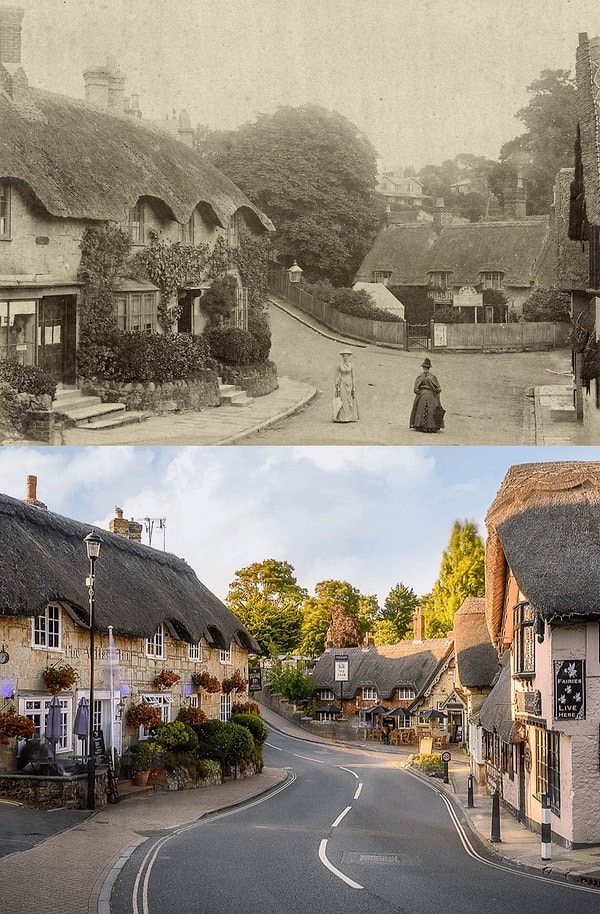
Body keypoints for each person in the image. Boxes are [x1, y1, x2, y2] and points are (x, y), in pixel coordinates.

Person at [409, 357, 444, 432]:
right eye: (424, 368)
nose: (425, 369)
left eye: (426, 368)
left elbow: (437, 388)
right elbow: (416, 389)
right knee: (421, 407)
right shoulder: (421, 376)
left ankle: (430, 426)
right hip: (423, 394)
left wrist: (419, 392)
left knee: (430, 408)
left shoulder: (432, 376)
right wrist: (419, 392)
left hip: (429, 394)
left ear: (429, 368)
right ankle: (420, 425)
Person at [333, 349, 359, 422]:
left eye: (347, 357)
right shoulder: (339, 365)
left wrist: (354, 386)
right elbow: (336, 375)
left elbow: (353, 376)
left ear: (349, 357)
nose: (345, 358)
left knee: (349, 400)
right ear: (342, 357)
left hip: (349, 384)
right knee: (343, 399)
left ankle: (350, 416)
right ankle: (342, 417)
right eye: (344, 357)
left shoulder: (351, 365)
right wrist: (336, 385)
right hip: (342, 383)